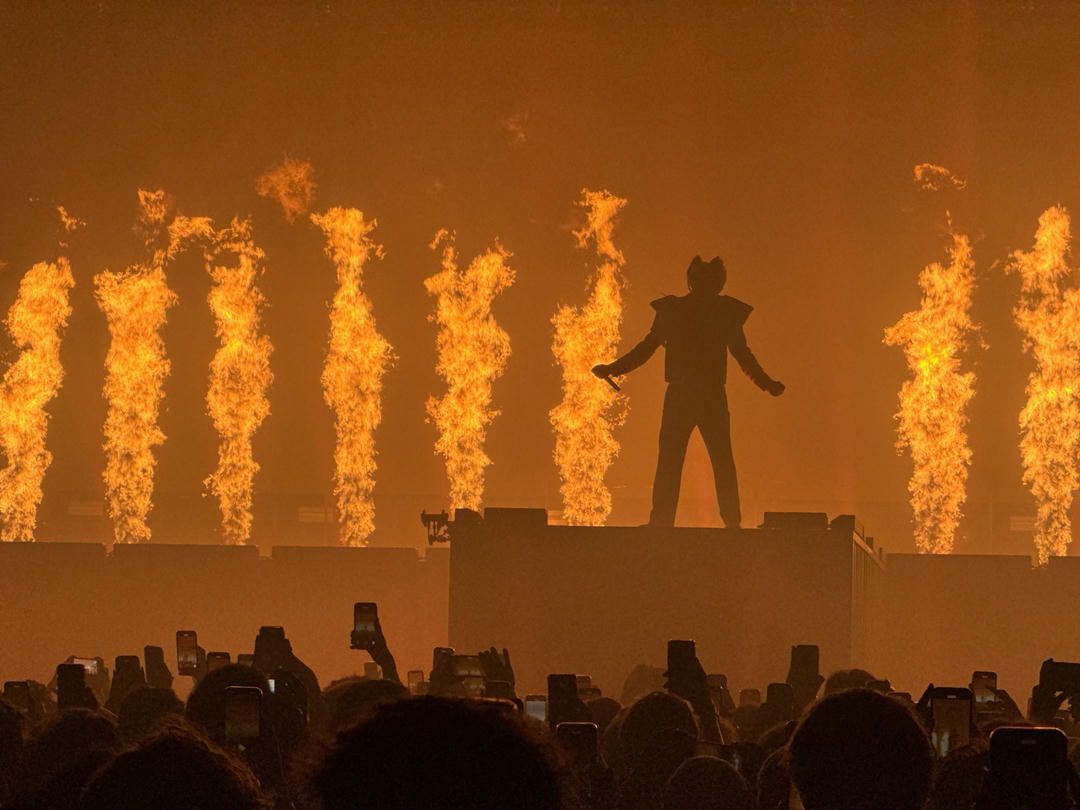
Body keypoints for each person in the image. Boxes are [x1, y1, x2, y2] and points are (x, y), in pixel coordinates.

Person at [592, 255, 784, 528]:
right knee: (717, 460)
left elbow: (646, 349)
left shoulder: (676, 311)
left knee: (677, 460)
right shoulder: (722, 312)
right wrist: (767, 384)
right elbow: (743, 357)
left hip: (687, 394)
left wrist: (613, 368)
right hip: (706, 395)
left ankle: (665, 522)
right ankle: (728, 523)